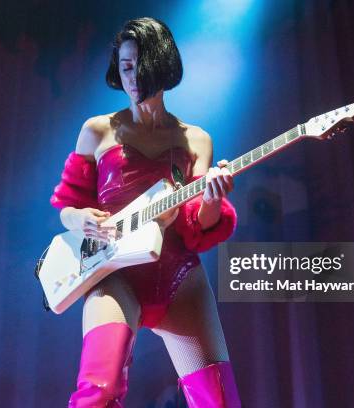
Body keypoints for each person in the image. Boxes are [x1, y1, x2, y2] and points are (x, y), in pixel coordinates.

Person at [50, 17, 241, 407]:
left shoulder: (196, 139)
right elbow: (67, 206)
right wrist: (80, 219)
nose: (133, 76)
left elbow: (195, 229)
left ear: (164, 65)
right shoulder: (97, 130)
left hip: (178, 277)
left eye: (141, 64)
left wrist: (211, 200)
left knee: (218, 400)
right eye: (125, 66)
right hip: (114, 273)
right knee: (98, 392)